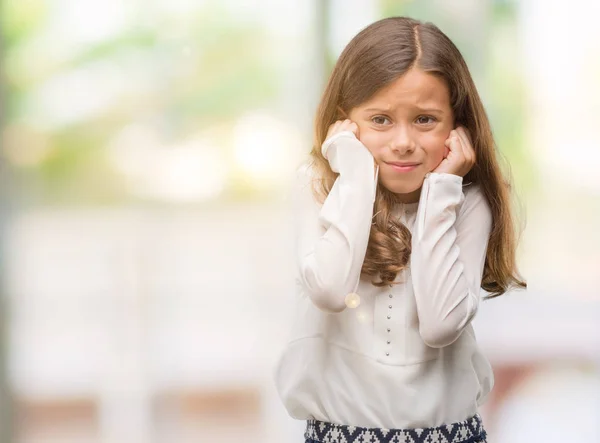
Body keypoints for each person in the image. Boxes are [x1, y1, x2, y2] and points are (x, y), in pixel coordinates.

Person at [273, 16, 526, 443]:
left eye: (425, 119)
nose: (404, 141)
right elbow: (330, 291)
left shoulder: (468, 198)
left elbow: (440, 326)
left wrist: (442, 193)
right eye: (381, 120)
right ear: (345, 124)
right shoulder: (318, 188)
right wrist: (353, 176)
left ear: (456, 126)